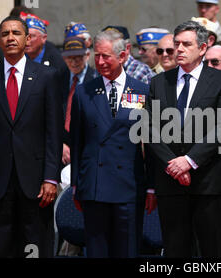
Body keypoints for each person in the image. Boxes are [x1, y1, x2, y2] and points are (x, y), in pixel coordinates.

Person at [0, 16, 62, 258]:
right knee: (1, 248)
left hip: (36, 184)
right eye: (5, 33)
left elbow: (53, 133)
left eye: (16, 33)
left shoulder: (47, 77)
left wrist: (50, 178)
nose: (11, 37)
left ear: (27, 39)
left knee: (35, 247)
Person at [145, 20, 221, 257]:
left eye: (186, 44)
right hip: (170, 182)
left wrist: (190, 160)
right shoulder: (159, 82)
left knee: (211, 251)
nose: (179, 49)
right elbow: (149, 128)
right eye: (177, 44)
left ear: (203, 48)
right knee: (175, 250)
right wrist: (172, 164)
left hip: (209, 183)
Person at [70, 30, 153, 258]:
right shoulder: (84, 92)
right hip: (94, 188)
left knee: (127, 250)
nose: (100, 62)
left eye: (106, 56)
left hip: (128, 186)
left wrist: (151, 186)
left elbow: (151, 144)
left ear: (124, 55)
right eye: (97, 56)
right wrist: (77, 185)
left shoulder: (142, 91)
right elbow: (78, 142)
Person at [61, 36, 96, 166]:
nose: (74, 62)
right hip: (62, 150)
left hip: (88, 148)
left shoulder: (96, 79)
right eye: (69, 58)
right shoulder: (57, 79)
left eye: (78, 57)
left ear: (87, 56)